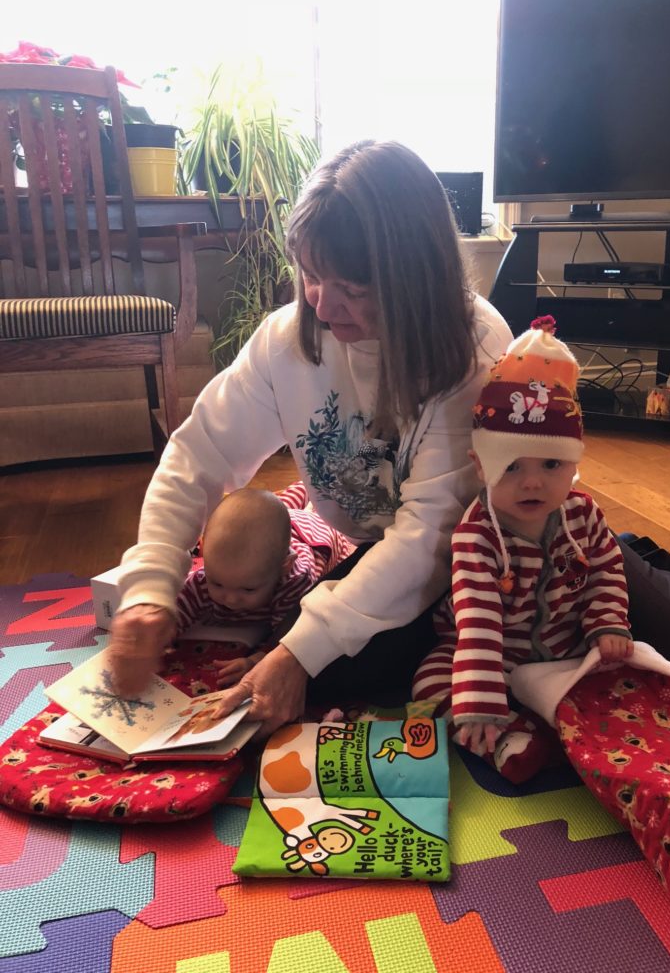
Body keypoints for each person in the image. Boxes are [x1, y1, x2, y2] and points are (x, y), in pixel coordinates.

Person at [106, 139, 513, 734]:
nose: (323, 305)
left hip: (482, 560)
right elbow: (201, 453)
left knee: (318, 664)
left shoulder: (473, 349)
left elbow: (430, 539)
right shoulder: (287, 339)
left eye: (353, 286)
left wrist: (299, 655)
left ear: (413, 279)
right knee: (292, 639)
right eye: (311, 275)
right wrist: (149, 586)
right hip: (383, 553)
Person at [413, 315, 670, 783]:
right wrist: (481, 698)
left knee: (625, 677)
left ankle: (576, 723)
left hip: (565, 646)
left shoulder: (582, 513)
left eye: (552, 464)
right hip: (487, 651)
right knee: (433, 685)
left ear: (573, 463)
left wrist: (607, 624)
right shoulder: (477, 535)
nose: (534, 481)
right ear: (481, 466)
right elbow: (478, 622)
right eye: (512, 466)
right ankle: (507, 739)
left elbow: (608, 571)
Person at [174, 486, 354, 687]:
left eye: (248, 589)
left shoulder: (294, 583)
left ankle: (309, 490)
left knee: (319, 512)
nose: (230, 599)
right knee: (271, 510)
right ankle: (299, 493)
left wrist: (255, 660)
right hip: (271, 535)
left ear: (283, 569)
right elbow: (178, 610)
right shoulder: (205, 578)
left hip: (318, 534)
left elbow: (292, 640)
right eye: (217, 583)